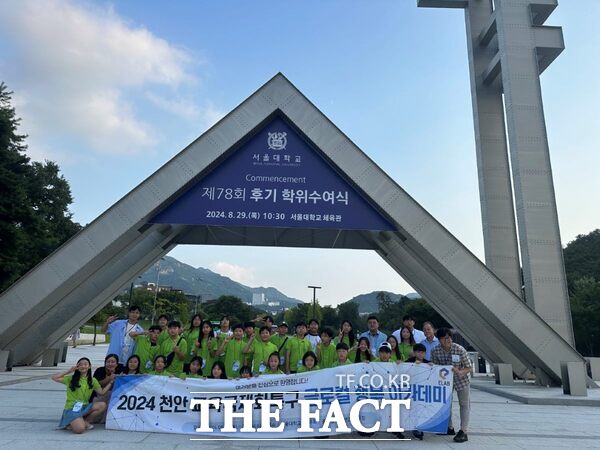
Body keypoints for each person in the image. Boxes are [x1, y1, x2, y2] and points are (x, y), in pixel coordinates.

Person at [431, 328, 472, 443]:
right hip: (445, 382)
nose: (446, 340)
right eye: (443, 339)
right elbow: (435, 366)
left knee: (464, 404)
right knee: (445, 404)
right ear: (439, 340)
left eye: (448, 338)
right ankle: (449, 427)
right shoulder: (435, 350)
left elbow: (469, 367)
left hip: (461, 380)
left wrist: (460, 372)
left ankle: (463, 431)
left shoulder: (459, 349)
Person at [52, 357, 113, 433]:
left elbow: (102, 392)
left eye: (85, 364)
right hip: (72, 408)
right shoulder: (71, 379)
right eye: (80, 364)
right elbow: (54, 378)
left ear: (89, 366)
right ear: (77, 367)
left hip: (84, 407)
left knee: (102, 405)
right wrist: (69, 371)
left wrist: (111, 382)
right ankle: (75, 422)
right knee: (80, 430)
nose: (83, 366)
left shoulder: (92, 380)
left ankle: (84, 421)